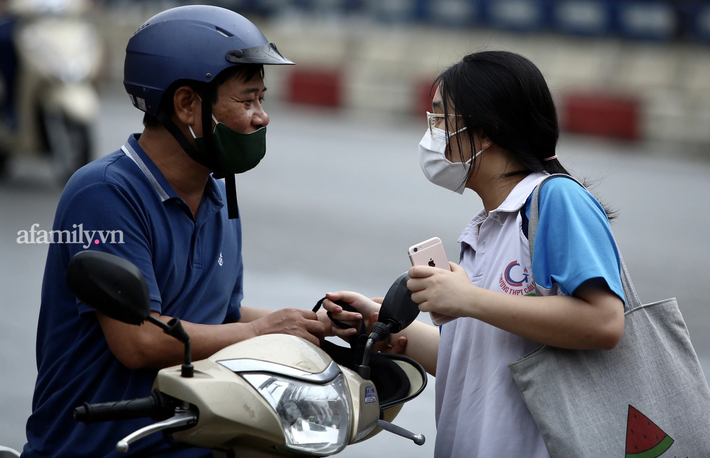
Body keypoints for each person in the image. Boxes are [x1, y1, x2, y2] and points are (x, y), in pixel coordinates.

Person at [21, 6, 354, 457]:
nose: (262, 117)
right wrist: (262, 331)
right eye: (247, 99)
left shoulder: (216, 193)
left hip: (197, 439)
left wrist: (305, 324)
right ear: (186, 104)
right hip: (106, 445)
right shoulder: (104, 194)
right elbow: (139, 340)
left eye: (263, 99)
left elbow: (220, 314)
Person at [324, 51, 626, 457]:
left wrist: (469, 299)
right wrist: (387, 328)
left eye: (440, 119)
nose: (432, 134)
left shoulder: (556, 199)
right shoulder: (487, 226)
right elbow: (472, 359)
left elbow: (604, 322)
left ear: (486, 131)